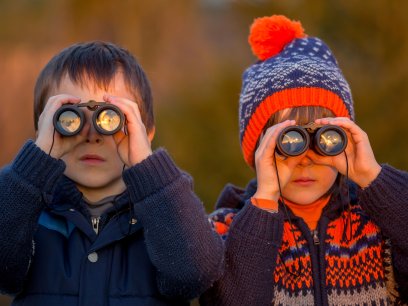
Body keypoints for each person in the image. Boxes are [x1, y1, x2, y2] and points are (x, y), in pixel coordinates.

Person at [200, 15, 408, 305]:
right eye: (289, 142)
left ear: (345, 137)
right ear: (259, 150)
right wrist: (264, 203)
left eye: (324, 139)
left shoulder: (379, 223)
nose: (305, 159)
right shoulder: (226, 229)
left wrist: (373, 177)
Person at [0, 41, 224, 306]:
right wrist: (34, 165)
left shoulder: (163, 215)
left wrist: (148, 168)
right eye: (72, 119)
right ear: (44, 128)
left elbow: (195, 274)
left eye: (111, 119)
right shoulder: (30, 215)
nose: (92, 136)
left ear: (145, 132)